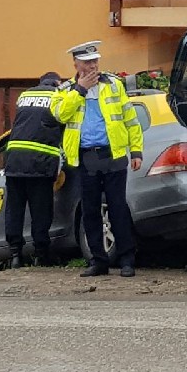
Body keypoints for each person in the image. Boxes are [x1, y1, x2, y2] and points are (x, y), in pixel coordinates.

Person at [51, 41, 143, 277]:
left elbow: (130, 119)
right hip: (85, 158)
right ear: (76, 64)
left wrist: (136, 151)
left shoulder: (113, 84)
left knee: (117, 208)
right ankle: (98, 261)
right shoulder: (65, 90)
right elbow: (60, 114)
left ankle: (126, 260)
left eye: (95, 61)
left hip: (113, 154)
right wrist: (80, 90)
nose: (92, 66)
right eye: (87, 62)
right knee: (90, 210)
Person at [3, 71, 66, 268]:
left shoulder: (25, 95)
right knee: (40, 210)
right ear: (57, 82)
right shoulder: (58, 96)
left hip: (14, 161)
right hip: (40, 162)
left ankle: (15, 255)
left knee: (15, 209)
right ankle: (41, 254)